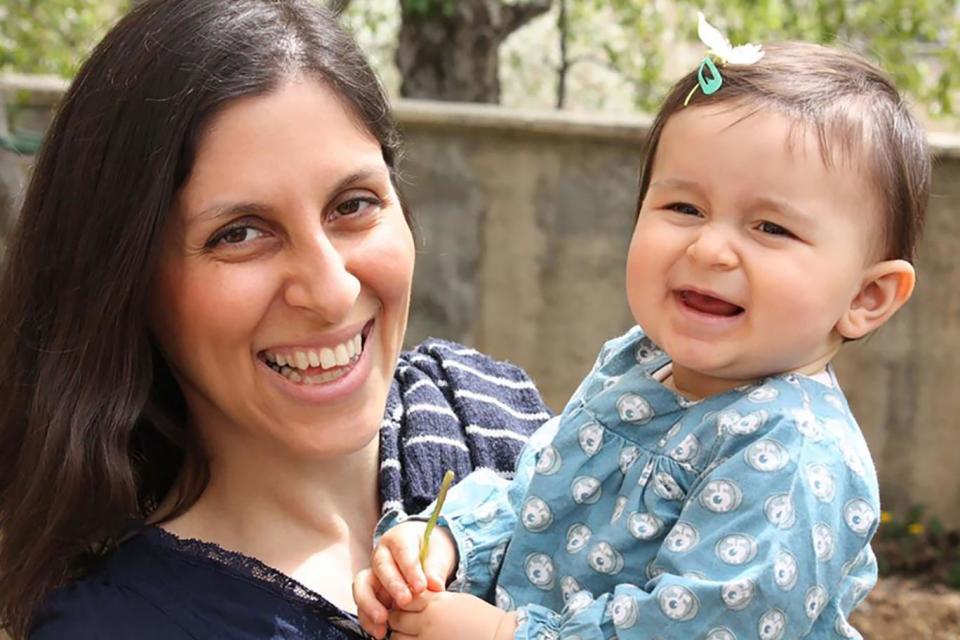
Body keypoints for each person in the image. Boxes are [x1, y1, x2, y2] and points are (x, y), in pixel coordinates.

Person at [0, 1, 553, 638]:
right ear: (125, 280)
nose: (331, 290)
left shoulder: (487, 414)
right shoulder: (117, 626)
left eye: (353, 204)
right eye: (239, 233)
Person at [354, 32, 931, 640]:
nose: (709, 248)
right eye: (685, 208)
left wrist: (505, 635)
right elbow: (539, 492)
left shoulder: (793, 452)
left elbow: (697, 626)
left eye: (770, 227)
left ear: (867, 297)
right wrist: (446, 540)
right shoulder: (637, 361)